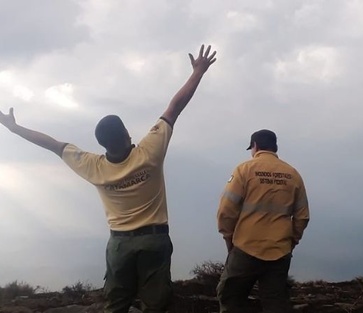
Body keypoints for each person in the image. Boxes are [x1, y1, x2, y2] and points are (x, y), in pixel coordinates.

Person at [0, 44, 217, 313]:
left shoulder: (92, 166)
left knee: (116, 304)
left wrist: (14, 128)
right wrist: (198, 71)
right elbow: (175, 107)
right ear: (127, 134)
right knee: (156, 304)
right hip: (154, 240)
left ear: (103, 144)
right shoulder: (150, 151)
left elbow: (52, 144)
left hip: (119, 245)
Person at [216, 129, 310, 313]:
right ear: (275, 147)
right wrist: (291, 242)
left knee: (230, 297)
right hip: (280, 251)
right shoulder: (293, 174)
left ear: (255, 146)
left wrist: (229, 239)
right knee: (275, 303)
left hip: (245, 247)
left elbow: (226, 212)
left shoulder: (244, 170)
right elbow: (302, 216)